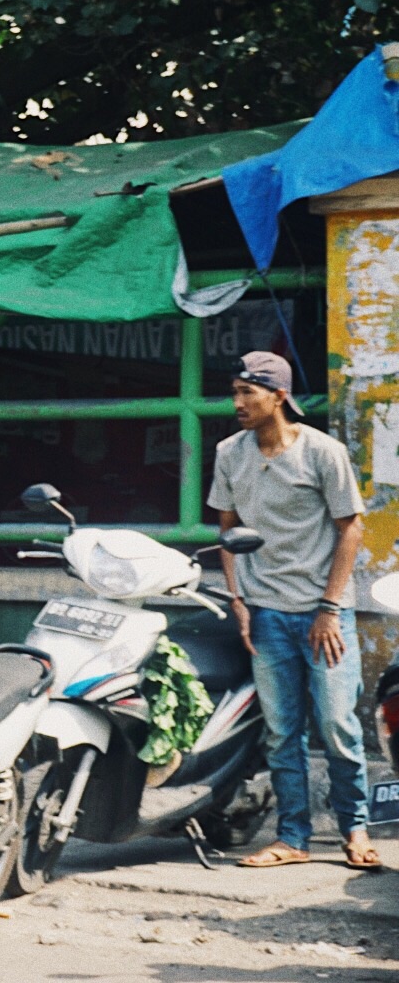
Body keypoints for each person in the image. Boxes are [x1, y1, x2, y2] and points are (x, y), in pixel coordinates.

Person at [207, 351, 380, 870]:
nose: (237, 402)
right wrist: (237, 600)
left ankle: (355, 829)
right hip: (265, 613)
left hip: (323, 614)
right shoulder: (228, 453)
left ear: (278, 396)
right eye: (234, 392)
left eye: (247, 393)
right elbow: (227, 532)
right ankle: (293, 838)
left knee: (337, 726)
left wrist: (330, 606)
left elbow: (351, 527)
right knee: (282, 732)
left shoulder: (323, 453)